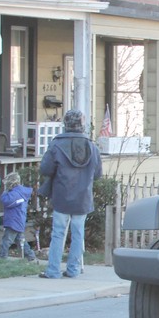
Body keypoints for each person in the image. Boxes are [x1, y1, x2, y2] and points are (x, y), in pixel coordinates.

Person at [39, 109, 102, 279]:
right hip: (83, 198)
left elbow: (45, 169)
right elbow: (97, 174)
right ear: (82, 125)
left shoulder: (56, 145)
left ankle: (53, 270)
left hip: (62, 196)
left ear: (65, 124)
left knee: (58, 233)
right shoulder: (92, 146)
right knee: (78, 233)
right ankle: (73, 269)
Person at [0, 171, 37, 261]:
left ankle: (2, 256)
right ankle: (30, 255)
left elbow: (6, 201)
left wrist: (5, 192)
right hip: (17, 220)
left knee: (7, 240)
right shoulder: (20, 192)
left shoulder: (16, 193)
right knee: (20, 240)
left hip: (14, 220)